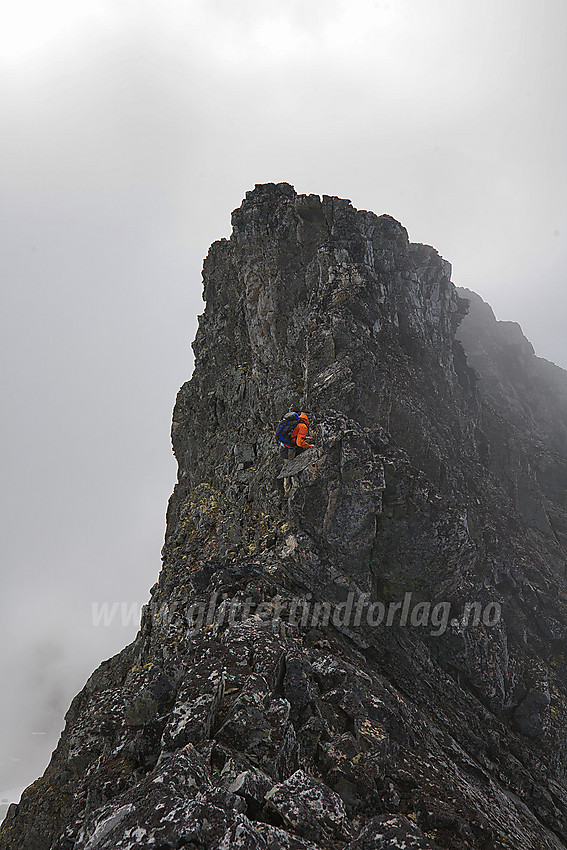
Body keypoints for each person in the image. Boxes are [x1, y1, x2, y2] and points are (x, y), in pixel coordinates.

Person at [278, 412, 313, 494]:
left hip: (283, 447)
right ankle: (289, 491)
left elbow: (295, 434)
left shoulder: (296, 422)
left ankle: (288, 489)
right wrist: (309, 447)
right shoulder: (303, 426)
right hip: (289, 450)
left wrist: (306, 438)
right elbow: (299, 443)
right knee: (289, 469)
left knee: (287, 467)